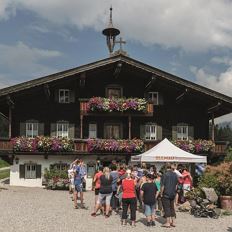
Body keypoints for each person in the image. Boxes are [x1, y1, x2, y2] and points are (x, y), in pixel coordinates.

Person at [160, 163, 178, 228]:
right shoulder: (175, 175)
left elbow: (162, 186)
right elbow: (176, 186)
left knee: (166, 208)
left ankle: (167, 222)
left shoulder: (165, 175)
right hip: (173, 193)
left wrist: (161, 193)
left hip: (166, 193)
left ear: (165, 168)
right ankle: (173, 222)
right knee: (172, 207)